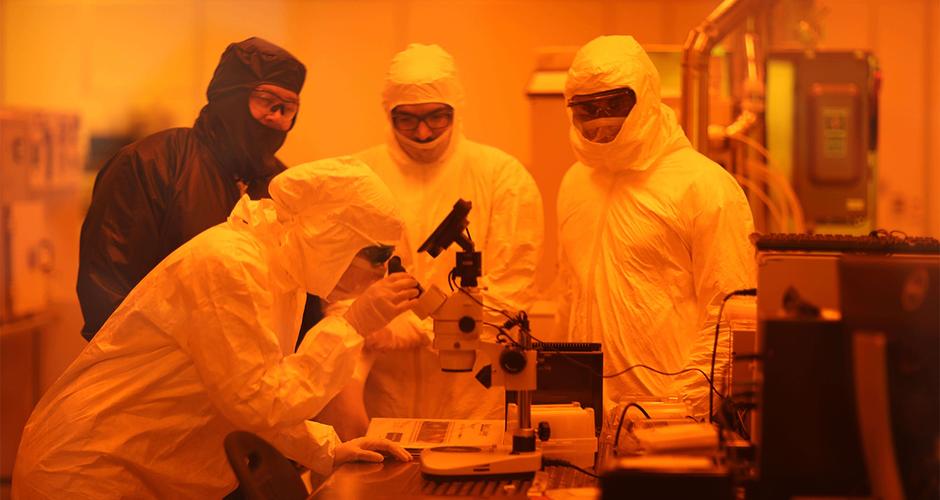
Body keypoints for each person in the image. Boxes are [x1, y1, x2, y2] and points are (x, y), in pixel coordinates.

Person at [13, 158, 419, 499]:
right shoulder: (231, 265)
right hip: (88, 471)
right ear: (333, 232)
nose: (381, 270)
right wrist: (352, 324)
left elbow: (254, 394)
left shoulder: (281, 275)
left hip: (139, 471)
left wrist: (330, 448)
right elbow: (258, 402)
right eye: (376, 254)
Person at [555, 35, 757, 419]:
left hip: (671, 419)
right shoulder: (575, 184)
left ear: (644, 98)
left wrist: (681, 411)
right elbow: (569, 294)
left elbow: (732, 314)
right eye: (587, 110)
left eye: (613, 105)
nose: (600, 123)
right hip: (586, 413)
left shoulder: (702, 185)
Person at [347, 43, 544, 425]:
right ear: (388, 112)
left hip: (471, 396)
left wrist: (427, 329)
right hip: (382, 394)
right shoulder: (358, 176)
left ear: (455, 107)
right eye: (406, 119)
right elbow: (332, 280)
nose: (422, 132)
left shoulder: (502, 177)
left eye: (436, 116)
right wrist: (368, 317)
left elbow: (514, 286)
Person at [77, 37, 308, 341]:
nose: (277, 116)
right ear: (231, 97)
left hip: (251, 378)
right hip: (156, 372)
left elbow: (297, 296)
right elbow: (107, 287)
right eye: (267, 100)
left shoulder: (283, 186)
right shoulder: (151, 165)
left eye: (288, 108)